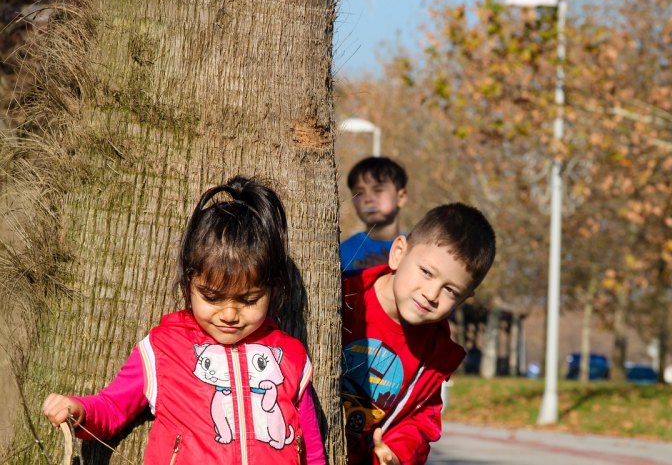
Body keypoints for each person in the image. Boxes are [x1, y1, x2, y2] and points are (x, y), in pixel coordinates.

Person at [42, 176, 326, 465]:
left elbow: (313, 452)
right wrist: (79, 411)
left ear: (273, 290)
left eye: (248, 300)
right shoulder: (163, 348)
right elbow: (113, 406)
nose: (229, 314)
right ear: (189, 283)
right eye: (212, 298)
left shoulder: (290, 356)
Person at [341, 203, 496, 465]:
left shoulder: (434, 356)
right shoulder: (346, 299)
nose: (431, 294)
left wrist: (397, 455)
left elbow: (421, 421)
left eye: (451, 291)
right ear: (399, 253)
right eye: (426, 272)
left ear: (463, 300)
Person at [340, 157, 408, 275]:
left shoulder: (415, 249)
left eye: (378, 190)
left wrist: (391, 270)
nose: (368, 199)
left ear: (401, 197)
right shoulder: (342, 253)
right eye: (359, 193)